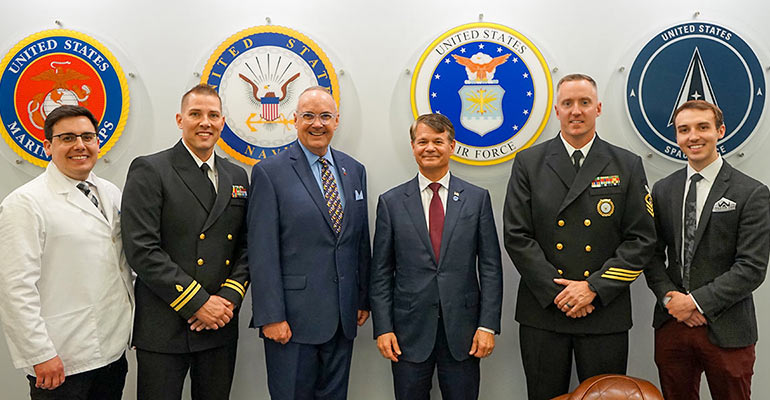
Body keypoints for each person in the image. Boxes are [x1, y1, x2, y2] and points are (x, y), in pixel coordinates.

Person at [503, 73, 656, 399]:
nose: (576, 111)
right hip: (545, 310)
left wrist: (592, 288)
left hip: (603, 311)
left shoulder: (626, 164)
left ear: (598, 108)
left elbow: (641, 239)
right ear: (556, 110)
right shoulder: (529, 162)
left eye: (584, 102)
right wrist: (560, 293)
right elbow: (517, 235)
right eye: (568, 103)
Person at [121, 84, 250, 400]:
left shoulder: (237, 176)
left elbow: (246, 245)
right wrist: (199, 303)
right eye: (195, 114)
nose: (205, 122)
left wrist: (227, 299)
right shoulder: (151, 169)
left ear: (222, 122)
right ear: (180, 120)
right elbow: (142, 249)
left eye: (213, 115)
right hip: (166, 325)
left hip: (219, 323)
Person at [0, 105, 134, 399]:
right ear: (48, 146)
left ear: (98, 142)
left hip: (112, 353)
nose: (80, 145)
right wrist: (39, 354)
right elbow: (15, 288)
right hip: (60, 359)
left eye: (87, 137)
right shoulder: (25, 203)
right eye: (67, 138)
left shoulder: (110, 192)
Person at [248, 86, 371, 399]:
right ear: (295, 120)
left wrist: (362, 298)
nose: (318, 124)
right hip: (292, 322)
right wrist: (271, 316)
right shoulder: (269, 173)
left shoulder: (354, 170)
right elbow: (262, 252)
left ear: (336, 121)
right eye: (309, 116)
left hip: (343, 317)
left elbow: (359, 240)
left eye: (325, 116)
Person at [370, 113, 503, 399]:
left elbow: (491, 268)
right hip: (407, 334)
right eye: (423, 141)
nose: (430, 147)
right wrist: (383, 328)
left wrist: (487, 325)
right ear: (413, 146)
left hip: (464, 332)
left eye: (438, 141)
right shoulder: (391, 203)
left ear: (451, 146)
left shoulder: (477, 199)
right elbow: (380, 273)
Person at [644, 100, 769, 400]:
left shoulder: (751, 192)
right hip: (672, 324)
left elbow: (751, 267)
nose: (693, 136)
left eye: (702, 127)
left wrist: (696, 303)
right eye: (684, 130)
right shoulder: (663, 189)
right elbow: (651, 255)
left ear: (720, 131)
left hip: (727, 327)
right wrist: (670, 299)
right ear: (676, 136)